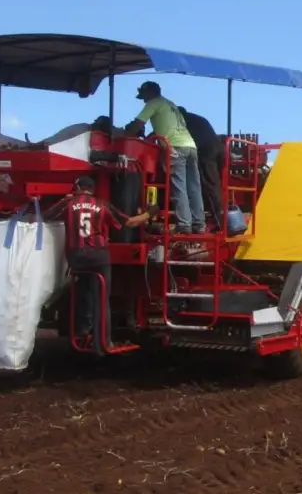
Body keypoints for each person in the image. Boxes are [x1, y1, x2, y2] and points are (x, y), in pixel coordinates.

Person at [42, 176, 161, 353]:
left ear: (78, 187)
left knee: (82, 292)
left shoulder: (68, 203)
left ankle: (81, 333)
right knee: (101, 298)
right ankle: (103, 342)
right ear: (92, 189)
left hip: (76, 257)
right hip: (98, 257)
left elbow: (45, 217)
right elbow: (129, 222)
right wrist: (151, 212)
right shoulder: (102, 205)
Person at [123, 81, 205, 234]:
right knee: (193, 186)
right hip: (190, 145)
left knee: (179, 187)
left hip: (175, 147)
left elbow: (137, 124)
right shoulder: (170, 104)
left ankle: (184, 225)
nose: (144, 100)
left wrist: (123, 135)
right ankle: (199, 224)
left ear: (149, 93)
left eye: (144, 97)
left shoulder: (153, 103)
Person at [178, 106, 225, 232]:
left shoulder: (185, 122)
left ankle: (219, 221)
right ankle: (217, 218)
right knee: (214, 184)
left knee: (208, 185)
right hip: (217, 148)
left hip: (206, 151)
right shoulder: (197, 118)